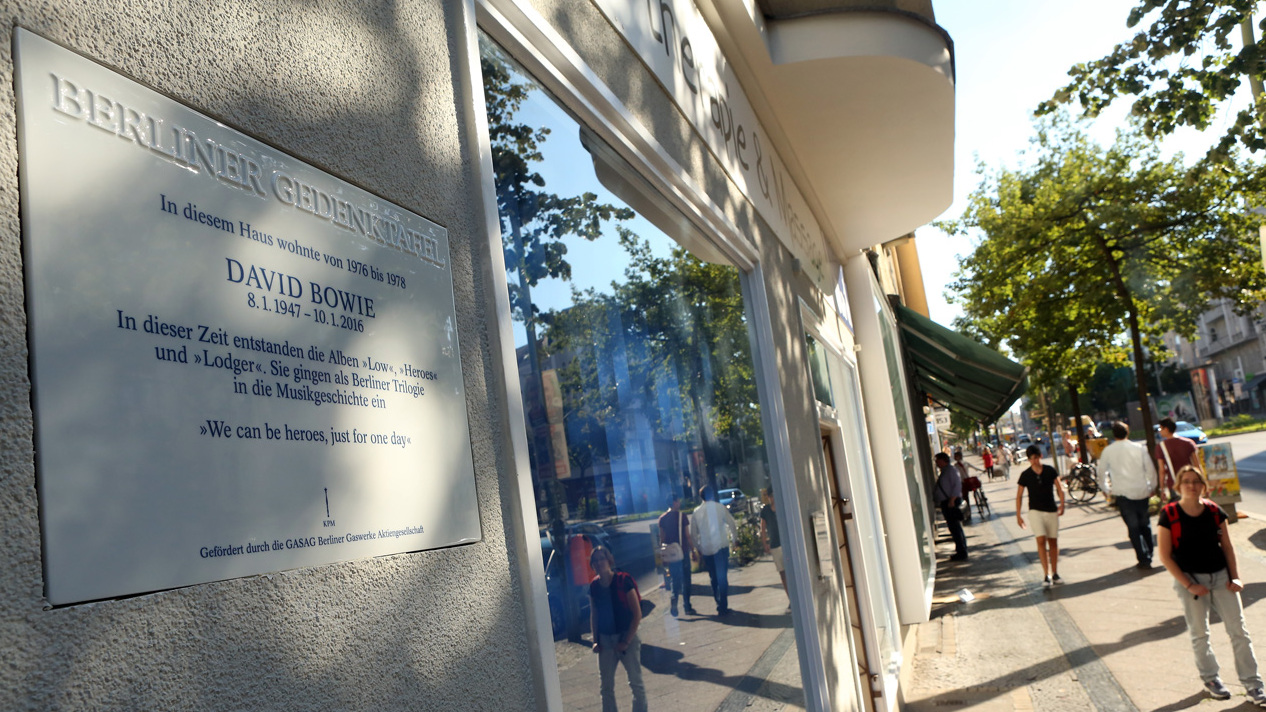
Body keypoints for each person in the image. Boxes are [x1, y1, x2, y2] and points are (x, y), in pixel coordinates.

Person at [1158, 466, 1266, 706]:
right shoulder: (1170, 514)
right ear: (1178, 485)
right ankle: (1211, 679)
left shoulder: (1214, 511)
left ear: (1203, 485)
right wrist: (1189, 585)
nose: (1191, 485)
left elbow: (1227, 546)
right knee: (1199, 633)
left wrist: (1235, 576)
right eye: (1186, 481)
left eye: (1196, 481)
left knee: (1239, 631)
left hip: (1221, 577)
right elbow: (1165, 556)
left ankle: (1253, 685)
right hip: (1191, 580)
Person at [588, 547, 648, 712]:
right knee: (606, 687)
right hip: (605, 640)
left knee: (636, 683)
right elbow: (594, 615)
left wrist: (626, 641)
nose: (599, 563)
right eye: (596, 560)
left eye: (602, 558)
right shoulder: (594, 586)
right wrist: (595, 641)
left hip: (626, 636)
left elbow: (637, 614)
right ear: (592, 565)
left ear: (609, 560)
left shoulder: (623, 581)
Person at [1098, 421, 1157, 569]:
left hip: (1122, 493)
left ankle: (1143, 557)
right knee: (1145, 524)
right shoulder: (1139, 448)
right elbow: (1150, 469)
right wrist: (1152, 486)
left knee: (1133, 527)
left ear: (1113, 434)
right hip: (1141, 490)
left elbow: (1101, 472)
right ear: (1128, 432)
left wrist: (1106, 489)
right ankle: (1149, 552)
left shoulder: (1108, 451)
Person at [1016, 445, 1065, 587]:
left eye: (1036, 458)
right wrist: (1018, 515)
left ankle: (1055, 572)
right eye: (1031, 459)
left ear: (1040, 457)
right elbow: (1019, 496)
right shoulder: (1025, 475)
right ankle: (1046, 574)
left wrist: (1062, 503)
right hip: (1035, 511)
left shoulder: (1050, 471)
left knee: (1053, 542)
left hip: (1051, 509)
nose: (1034, 461)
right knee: (1041, 540)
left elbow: (1059, 487)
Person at [692, 485, 739, 615]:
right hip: (721, 547)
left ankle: (718, 601)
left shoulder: (696, 512)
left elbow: (693, 534)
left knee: (713, 577)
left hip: (707, 549)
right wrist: (734, 539)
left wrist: (698, 548)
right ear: (712, 494)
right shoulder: (720, 507)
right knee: (722, 576)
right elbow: (731, 523)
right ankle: (723, 604)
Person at [657, 493, 696, 617]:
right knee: (686, 580)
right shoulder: (682, 517)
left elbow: (661, 539)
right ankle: (687, 607)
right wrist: (693, 550)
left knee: (675, 580)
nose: (679, 503)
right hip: (682, 552)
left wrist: (662, 555)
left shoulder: (662, 519)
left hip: (670, 554)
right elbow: (687, 536)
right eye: (678, 501)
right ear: (674, 502)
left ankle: (674, 601)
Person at [933, 452, 968, 561]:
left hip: (950, 502)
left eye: (937, 460)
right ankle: (960, 550)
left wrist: (952, 499)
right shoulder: (945, 471)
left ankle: (961, 551)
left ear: (943, 460)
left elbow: (957, 485)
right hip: (947, 502)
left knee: (955, 527)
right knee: (953, 527)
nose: (936, 463)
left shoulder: (951, 470)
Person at [1157, 417, 1201, 500]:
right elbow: (1197, 465)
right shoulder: (1188, 443)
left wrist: (1162, 489)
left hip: (1174, 483)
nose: (1159, 431)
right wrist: (1201, 482)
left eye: (1160, 428)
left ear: (1166, 429)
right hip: (1191, 482)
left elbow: (1162, 470)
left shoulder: (1161, 447)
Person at [759, 488, 789, 604]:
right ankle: (790, 598)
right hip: (775, 544)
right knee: (782, 573)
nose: (772, 498)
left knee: (790, 571)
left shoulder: (783, 506)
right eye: (770, 496)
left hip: (786, 543)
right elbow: (763, 527)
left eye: (773, 495)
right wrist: (764, 542)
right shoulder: (765, 510)